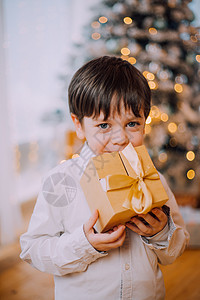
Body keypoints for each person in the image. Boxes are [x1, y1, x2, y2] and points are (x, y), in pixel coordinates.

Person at [20, 56, 189, 300]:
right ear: (79, 125)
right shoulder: (62, 181)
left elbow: (176, 249)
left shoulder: (153, 179)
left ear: (144, 123)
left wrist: (161, 233)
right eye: (104, 126)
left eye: (132, 123)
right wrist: (84, 244)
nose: (120, 138)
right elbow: (33, 249)